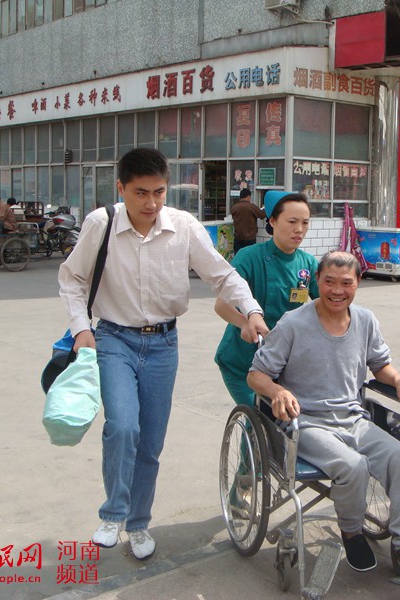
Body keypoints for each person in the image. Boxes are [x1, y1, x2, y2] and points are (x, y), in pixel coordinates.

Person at [58, 148, 267, 561]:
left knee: (151, 441)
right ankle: (113, 513)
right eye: (140, 193)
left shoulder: (183, 226)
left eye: (158, 192)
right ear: (121, 188)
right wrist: (82, 329)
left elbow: (222, 275)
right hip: (114, 339)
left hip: (163, 345)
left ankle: (138, 523)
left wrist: (252, 311)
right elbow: (72, 278)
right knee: (123, 427)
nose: (151, 203)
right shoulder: (101, 224)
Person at [247, 251, 400, 584]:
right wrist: (277, 391)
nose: (337, 290)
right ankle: (352, 531)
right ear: (318, 281)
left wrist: (399, 382)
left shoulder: (365, 321)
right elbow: (256, 374)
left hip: (354, 418)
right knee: (352, 466)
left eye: (346, 283)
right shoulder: (293, 323)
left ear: (358, 282)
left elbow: (380, 365)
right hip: (307, 422)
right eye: (329, 281)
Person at [214, 191, 319, 406]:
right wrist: (245, 323)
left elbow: (323, 304)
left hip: (283, 361)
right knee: (259, 414)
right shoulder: (249, 257)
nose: (299, 229)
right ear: (272, 221)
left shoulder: (308, 263)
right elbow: (221, 305)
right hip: (242, 360)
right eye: (292, 221)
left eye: (305, 222)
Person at [230, 187, 265, 254]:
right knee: (250, 256)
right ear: (248, 197)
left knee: (238, 256)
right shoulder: (251, 206)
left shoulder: (234, 207)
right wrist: (265, 209)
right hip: (249, 238)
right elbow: (261, 215)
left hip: (238, 237)